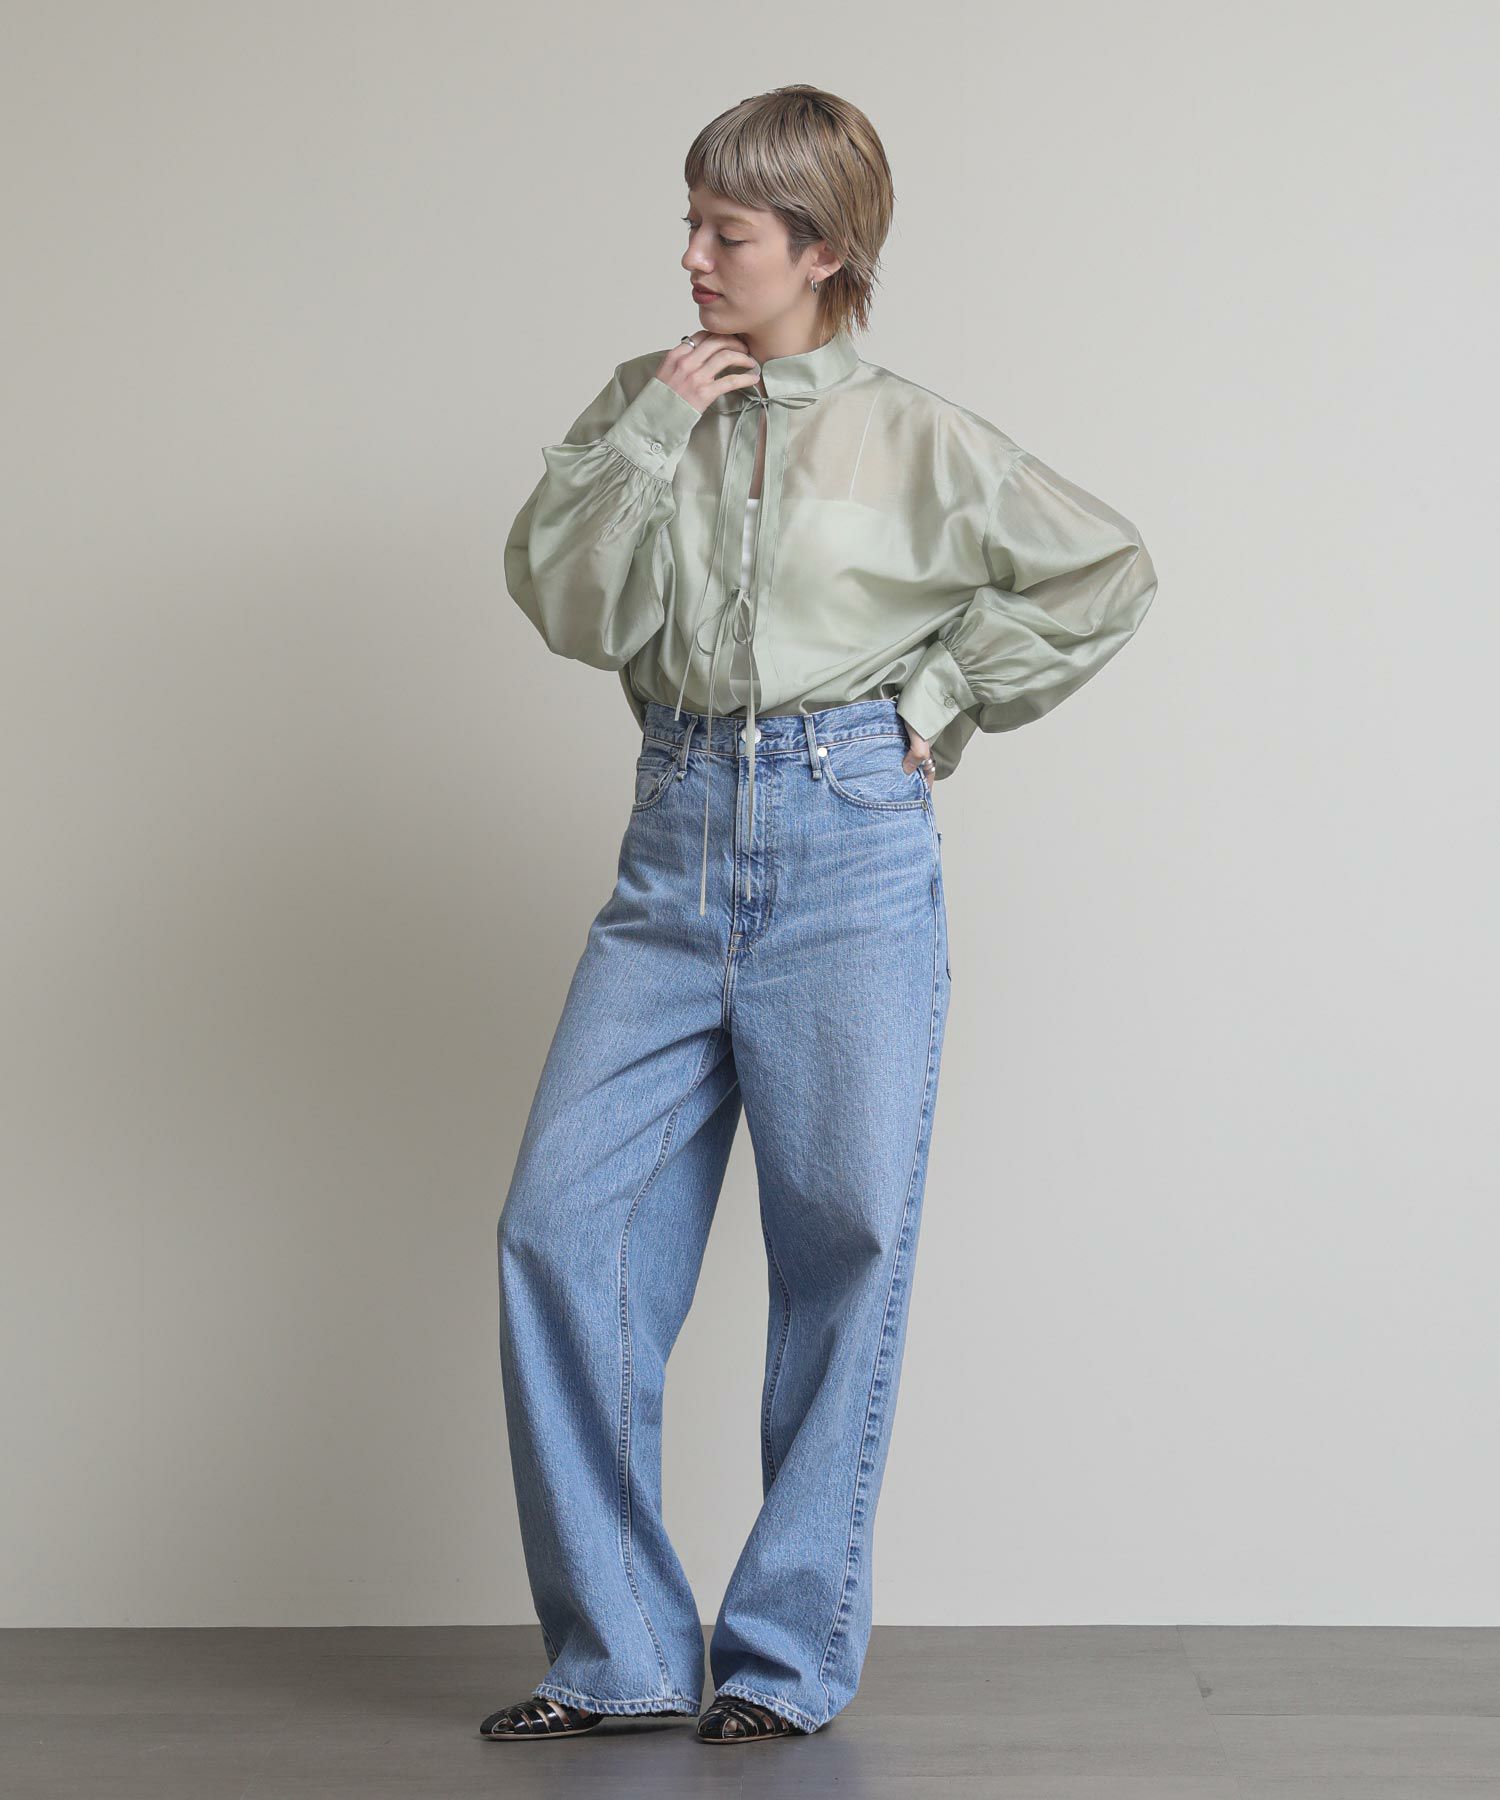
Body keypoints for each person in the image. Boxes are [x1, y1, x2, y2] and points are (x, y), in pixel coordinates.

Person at [483, 84, 1158, 1747]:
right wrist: (651, 433)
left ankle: (784, 1662)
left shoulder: (921, 438)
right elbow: (562, 600)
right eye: (692, 224)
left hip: (847, 839)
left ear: (824, 250)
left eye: (728, 231)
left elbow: (1104, 568)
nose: (694, 257)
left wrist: (937, 703)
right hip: (672, 838)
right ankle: (622, 1657)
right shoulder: (644, 403)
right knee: (563, 1225)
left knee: (842, 1240)